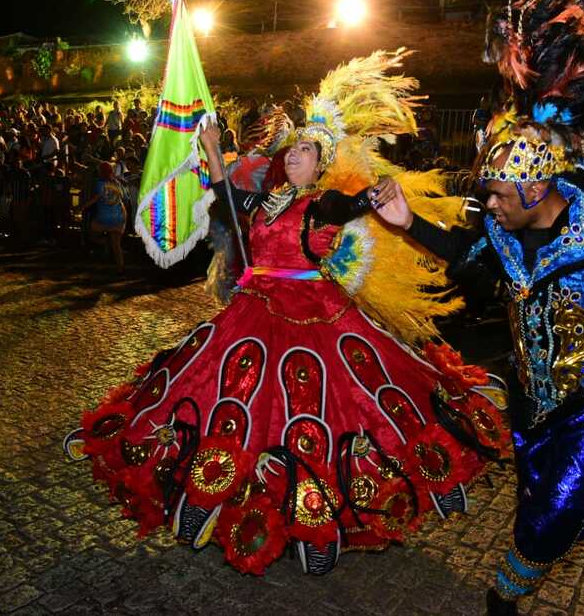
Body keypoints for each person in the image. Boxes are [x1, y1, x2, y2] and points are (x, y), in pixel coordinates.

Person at [70, 51, 508, 577]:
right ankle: (216, 493)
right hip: (254, 310)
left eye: (306, 149)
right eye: (294, 147)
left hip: (314, 314)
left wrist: (374, 194)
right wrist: (212, 147)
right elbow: (229, 196)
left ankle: (319, 516)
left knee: (318, 407)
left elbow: (348, 208)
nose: (296, 154)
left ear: (320, 164)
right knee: (226, 391)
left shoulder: (320, 203)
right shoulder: (267, 201)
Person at [380, 0, 584, 615]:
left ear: (535, 185)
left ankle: (504, 599)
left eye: (497, 194)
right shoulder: (502, 232)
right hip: (532, 395)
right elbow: (470, 265)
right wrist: (407, 221)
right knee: (556, 506)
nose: (488, 206)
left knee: (542, 525)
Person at [80, 162, 129, 274]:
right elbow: (124, 198)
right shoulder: (117, 183)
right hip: (119, 217)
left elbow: (95, 199)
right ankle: (120, 268)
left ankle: (104, 242)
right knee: (117, 246)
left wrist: (82, 207)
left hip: (104, 218)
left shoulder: (99, 183)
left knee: (91, 232)